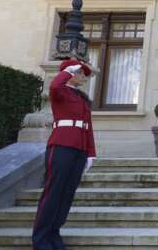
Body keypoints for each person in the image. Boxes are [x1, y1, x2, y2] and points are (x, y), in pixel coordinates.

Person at [32, 59, 96, 250]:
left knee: (66, 194)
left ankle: (54, 235)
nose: (83, 77)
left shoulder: (82, 98)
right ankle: (41, 240)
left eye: (83, 74)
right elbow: (54, 84)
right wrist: (68, 70)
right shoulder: (59, 91)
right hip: (61, 145)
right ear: (70, 73)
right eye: (80, 73)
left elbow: (88, 127)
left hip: (79, 148)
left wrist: (91, 153)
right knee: (53, 193)